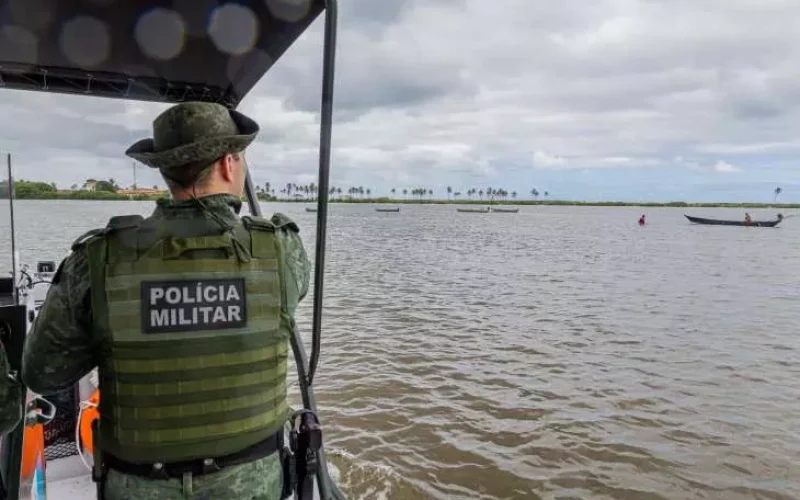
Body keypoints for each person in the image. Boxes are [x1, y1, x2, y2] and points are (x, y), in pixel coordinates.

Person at [21, 102, 310, 499]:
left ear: (165, 171)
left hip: (138, 484)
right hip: (252, 482)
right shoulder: (280, 251)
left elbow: (43, 374)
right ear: (229, 164)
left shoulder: (97, 261)